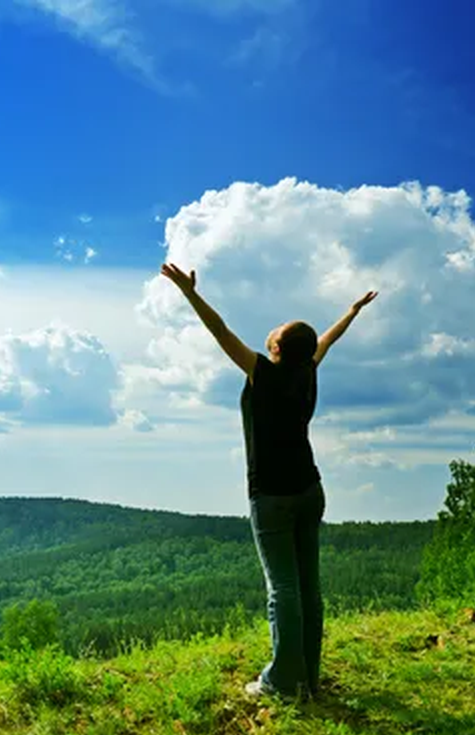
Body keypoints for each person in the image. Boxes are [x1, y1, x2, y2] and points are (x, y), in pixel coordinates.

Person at [160, 262, 378, 701]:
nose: (271, 331)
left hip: (272, 496)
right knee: (308, 588)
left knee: (283, 590)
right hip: (310, 489)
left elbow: (219, 330)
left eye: (276, 331)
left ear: (277, 347)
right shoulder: (307, 368)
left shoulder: (264, 371)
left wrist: (188, 292)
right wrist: (350, 313)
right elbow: (327, 340)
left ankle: (281, 682)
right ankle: (308, 679)